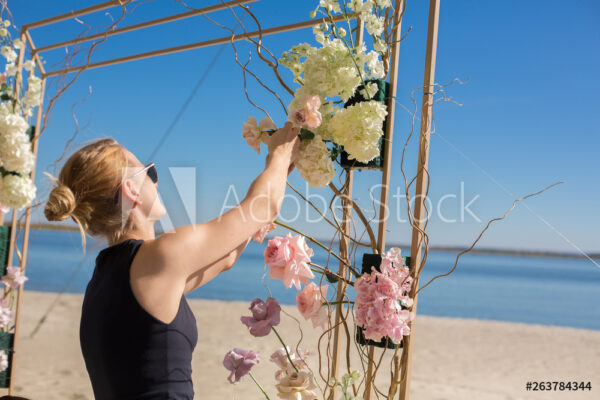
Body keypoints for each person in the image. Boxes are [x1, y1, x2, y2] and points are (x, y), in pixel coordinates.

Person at [43, 122, 300, 399]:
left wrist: (277, 175)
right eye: (150, 172)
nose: (156, 180)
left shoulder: (106, 276)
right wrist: (280, 153)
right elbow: (262, 206)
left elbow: (225, 258)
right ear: (131, 190)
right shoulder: (160, 256)